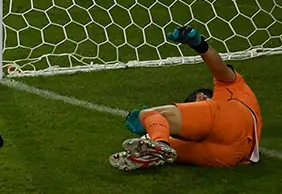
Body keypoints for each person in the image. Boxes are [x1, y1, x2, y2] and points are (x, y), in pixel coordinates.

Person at [109, 25, 263, 170]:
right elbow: (221, 69)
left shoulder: (225, 90)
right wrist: (199, 45)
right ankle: (150, 151)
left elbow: (220, 68)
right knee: (166, 142)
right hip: (235, 155)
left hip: (228, 140)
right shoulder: (237, 91)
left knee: (149, 117)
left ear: (201, 97)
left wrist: (200, 45)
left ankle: (156, 143)